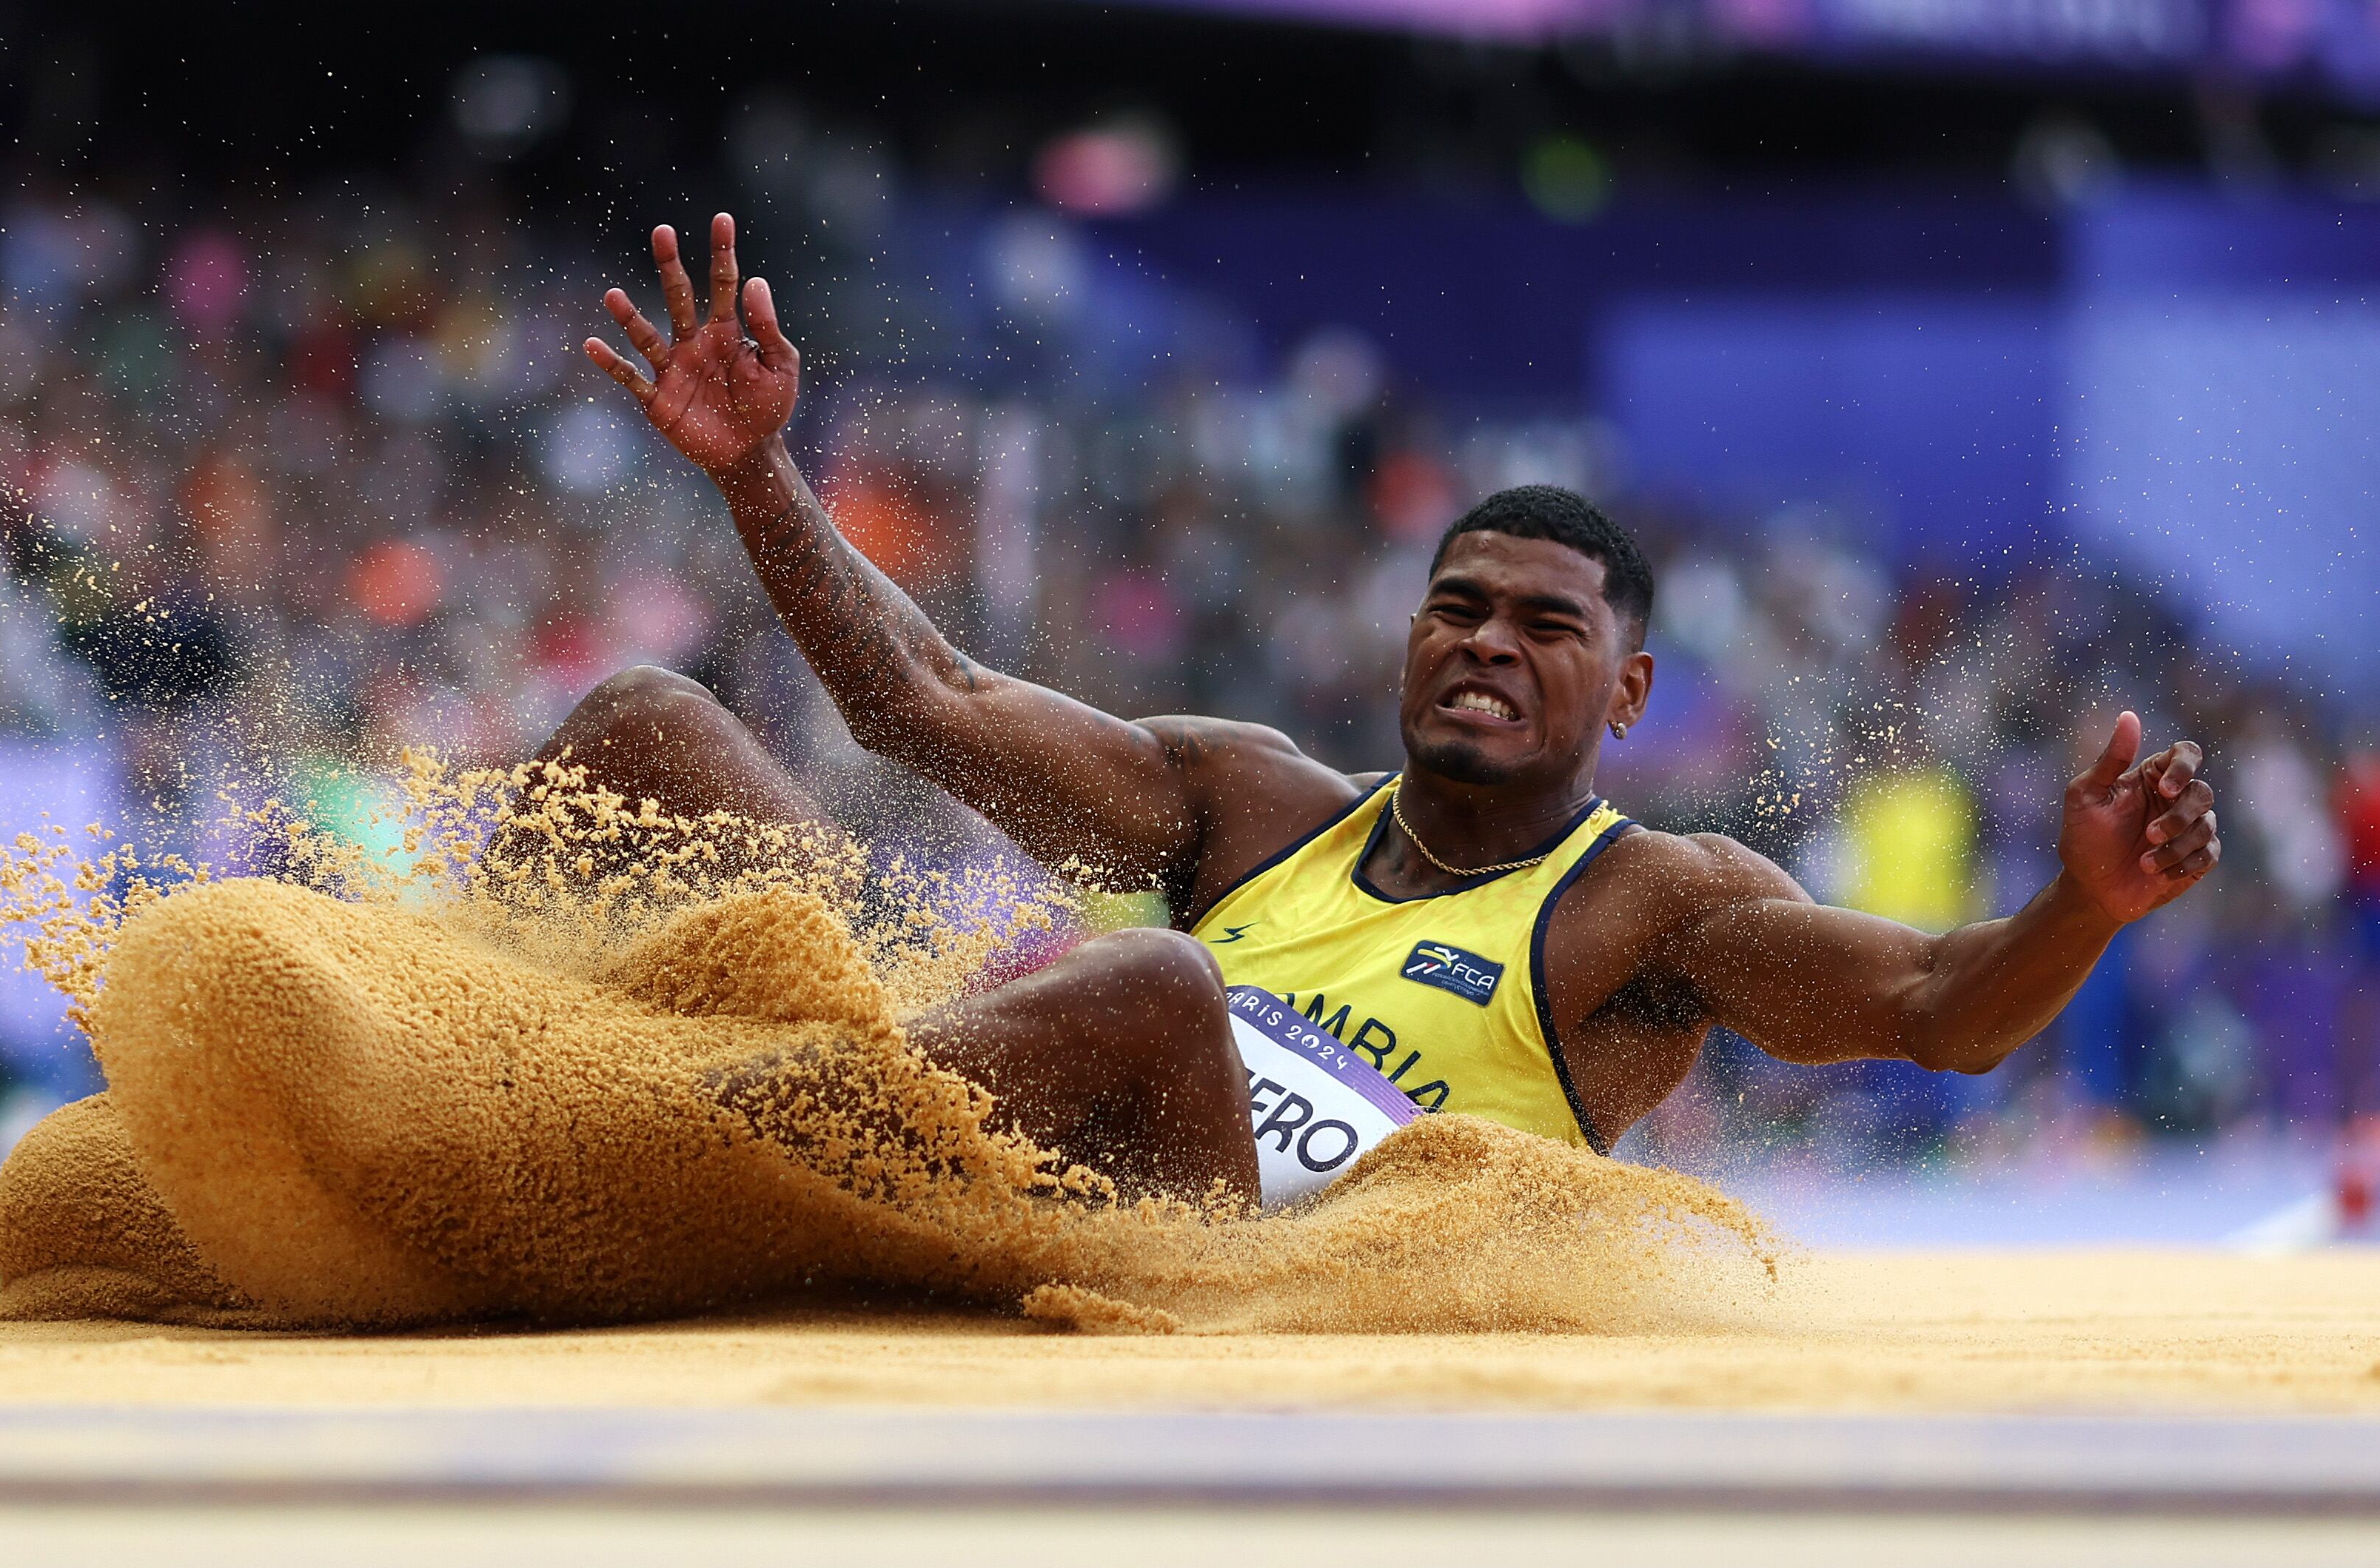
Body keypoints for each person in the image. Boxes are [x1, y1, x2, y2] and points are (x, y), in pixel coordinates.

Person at [551, 215, 2222, 1208]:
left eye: (1544, 627)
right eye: (1458, 607)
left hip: (1212, 1265)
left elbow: (1935, 1000)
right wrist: (762, 475)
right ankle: (509, 1088)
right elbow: (923, 700)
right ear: (1407, 637)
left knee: (1150, 983)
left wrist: (2083, 902)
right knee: (645, 721)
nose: (1487, 643)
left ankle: (643, 1161)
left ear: (1628, 688)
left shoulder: (1652, 907)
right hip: (978, 1135)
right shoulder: (1252, 803)